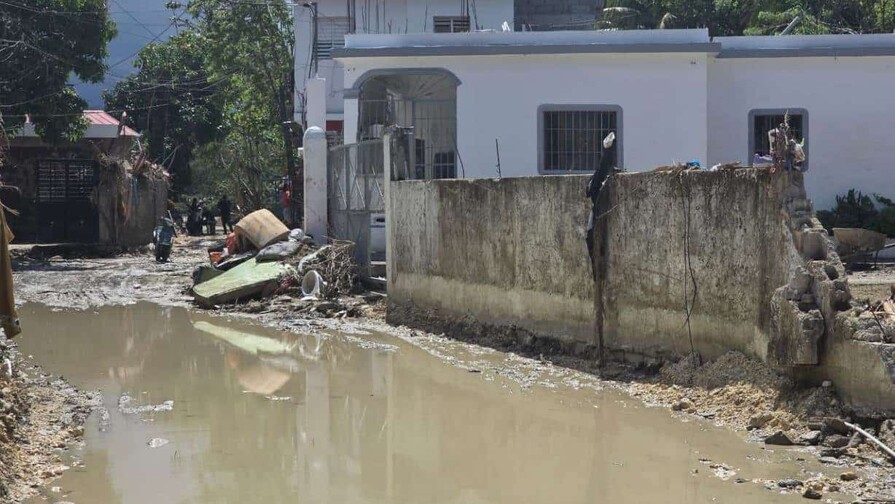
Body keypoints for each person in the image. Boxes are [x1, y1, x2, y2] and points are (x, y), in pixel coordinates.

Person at [586, 132, 617, 280]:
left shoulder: (598, 180)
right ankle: (598, 275)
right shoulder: (596, 181)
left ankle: (598, 275)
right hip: (596, 212)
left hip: (598, 213)